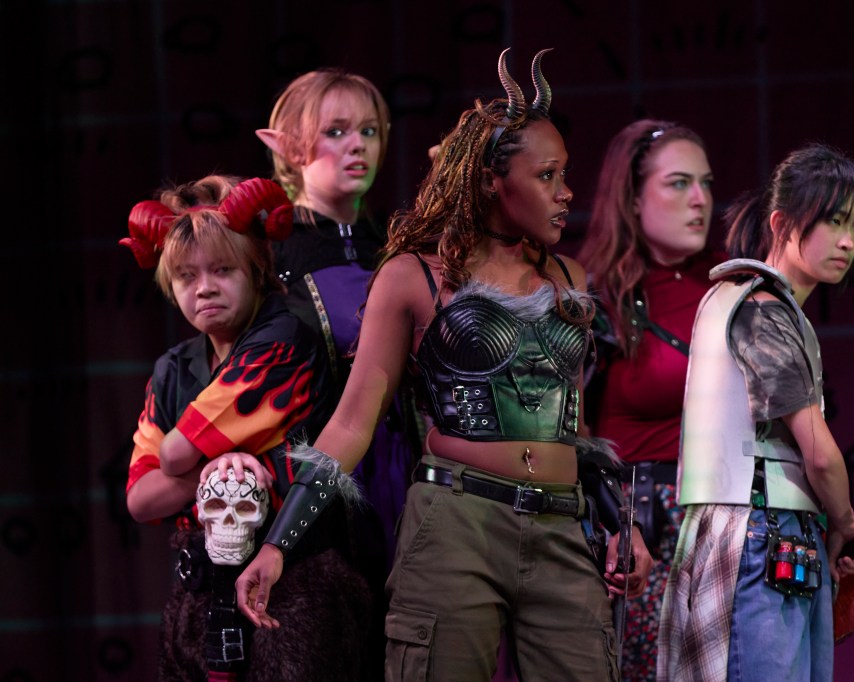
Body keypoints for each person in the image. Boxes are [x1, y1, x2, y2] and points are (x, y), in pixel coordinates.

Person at [235, 48, 651, 681]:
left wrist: (621, 525)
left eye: (564, 174)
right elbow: (351, 423)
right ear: (490, 181)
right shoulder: (412, 276)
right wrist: (276, 544)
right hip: (459, 521)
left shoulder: (569, 277)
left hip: (562, 523)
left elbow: (573, 426)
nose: (566, 192)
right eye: (547, 175)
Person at [121, 175, 372, 681]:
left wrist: (192, 467)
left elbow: (173, 455)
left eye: (222, 269)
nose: (204, 287)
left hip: (297, 582)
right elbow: (141, 498)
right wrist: (219, 467)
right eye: (187, 276)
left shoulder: (282, 342)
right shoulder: (172, 368)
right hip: (199, 587)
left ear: (256, 269)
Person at [657, 143, 854, 682]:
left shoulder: (741, 297)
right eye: (833, 221)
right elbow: (819, 454)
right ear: (781, 223)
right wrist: (847, 522)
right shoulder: (763, 309)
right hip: (759, 536)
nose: (848, 240)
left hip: (753, 532)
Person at [255, 68, 418, 570]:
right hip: (313, 474)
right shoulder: (267, 256)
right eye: (336, 131)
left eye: (369, 130)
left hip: (405, 471)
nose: (357, 145)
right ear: (288, 147)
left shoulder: (396, 247)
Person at [577, 119, 722, 680]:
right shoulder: (595, 300)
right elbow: (568, 429)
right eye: (679, 183)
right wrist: (617, 522)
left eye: (706, 184)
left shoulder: (731, 289)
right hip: (637, 529)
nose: (700, 199)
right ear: (633, 199)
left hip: (722, 523)